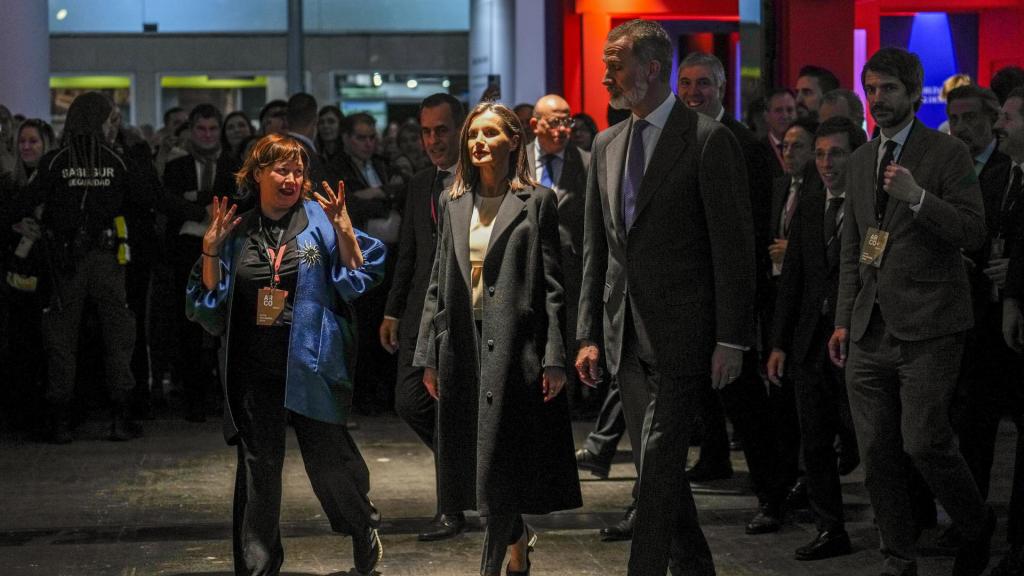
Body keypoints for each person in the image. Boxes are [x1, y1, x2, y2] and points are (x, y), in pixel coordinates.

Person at [575, 19, 755, 576]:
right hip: (622, 333)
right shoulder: (606, 144)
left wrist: (731, 338)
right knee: (664, 469)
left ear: (650, 69)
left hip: (685, 335)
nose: (605, 75)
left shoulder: (706, 139)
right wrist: (586, 332)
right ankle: (696, 567)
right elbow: (596, 251)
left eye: (615, 64)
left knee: (654, 462)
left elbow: (734, 249)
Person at [185, 134, 387, 576]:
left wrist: (345, 229)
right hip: (253, 368)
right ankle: (258, 567)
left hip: (311, 364)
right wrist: (210, 250)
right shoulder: (238, 229)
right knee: (260, 470)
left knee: (329, 462)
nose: (292, 178)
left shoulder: (319, 218)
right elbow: (209, 305)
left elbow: (360, 277)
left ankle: (360, 524)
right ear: (257, 174)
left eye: (298, 170)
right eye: (281, 169)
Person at [828, 47, 995, 576]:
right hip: (868, 329)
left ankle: (975, 524)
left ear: (913, 92)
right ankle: (898, 557)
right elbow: (858, 250)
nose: (878, 100)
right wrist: (841, 320)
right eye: (871, 89)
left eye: (889, 90)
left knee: (925, 443)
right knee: (876, 456)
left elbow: (972, 231)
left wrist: (918, 197)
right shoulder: (858, 161)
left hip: (931, 325)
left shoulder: (946, 153)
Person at [413, 101, 581, 576]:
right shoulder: (452, 200)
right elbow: (437, 280)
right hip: (463, 344)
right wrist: (429, 353)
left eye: (489, 134)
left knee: (498, 468)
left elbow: (553, 286)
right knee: (480, 464)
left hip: (515, 348)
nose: (478, 143)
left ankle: (490, 566)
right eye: (473, 135)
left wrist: (554, 356)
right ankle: (516, 540)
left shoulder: (537, 201)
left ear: (513, 140)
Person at [676, 51, 801, 536]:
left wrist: (740, 310)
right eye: (685, 83)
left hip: (735, 301)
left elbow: (747, 234)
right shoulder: (674, 140)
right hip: (691, 295)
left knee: (748, 406)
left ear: (722, 87)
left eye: (703, 83)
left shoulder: (744, 146)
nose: (693, 93)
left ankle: (773, 496)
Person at [767, 116, 867, 561]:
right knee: (815, 443)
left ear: (857, 156)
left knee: (872, 439)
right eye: (821, 154)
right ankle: (831, 528)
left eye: (837, 153)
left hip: (860, 340)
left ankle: (902, 521)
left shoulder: (871, 206)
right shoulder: (810, 203)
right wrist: (779, 343)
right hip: (810, 343)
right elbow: (793, 280)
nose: (826, 163)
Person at [31, 91, 154, 443]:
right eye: (111, 117)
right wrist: (199, 213)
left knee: (61, 339)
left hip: (66, 262)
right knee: (119, 336)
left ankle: (61, 422)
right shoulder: (115, 160)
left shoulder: (55, 161)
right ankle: (120, 417)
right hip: (107, 259)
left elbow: (27, 201)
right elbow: (150, 198)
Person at [380, 92, 466, 542]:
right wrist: (393, 310)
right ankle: (470, 467)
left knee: (449, 410)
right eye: (426, 132)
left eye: (441, 130)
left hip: (463, 315)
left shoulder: (482, 181)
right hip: (419, 315)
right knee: (410, 401)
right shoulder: (418, 184)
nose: (433, 140)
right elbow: (408, 255)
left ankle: (451, 508)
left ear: (460, 128)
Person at [162, 103, 239, 422]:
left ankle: (226, 397)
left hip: (226, 250)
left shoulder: (233, 164)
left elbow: (235, 200)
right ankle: (195, 397)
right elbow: (169, 202)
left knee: (226, 322)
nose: (206, 135)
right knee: (190, 323)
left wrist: (197, 197)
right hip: (186, 249)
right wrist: (198, 206)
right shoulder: (177, 165)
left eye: (211, 129)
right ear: (190, 131)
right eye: (200, 129)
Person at [764, 87, 798, 176]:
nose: (785, 115)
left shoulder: (806, 147)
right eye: (779, 110)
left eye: (790, 110)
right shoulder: (757, 150)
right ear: (767, 116)